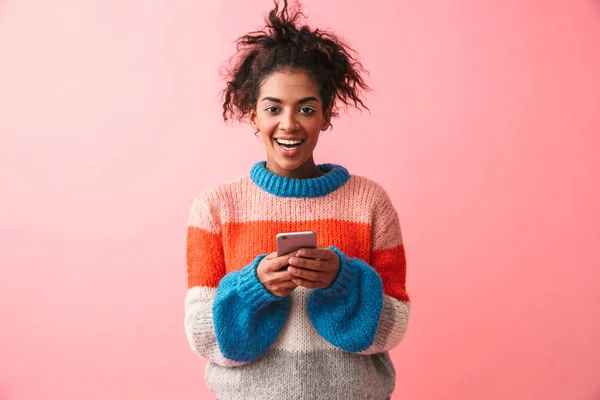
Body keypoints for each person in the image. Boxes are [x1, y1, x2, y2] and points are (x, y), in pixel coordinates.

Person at [184, 1, 410, 398]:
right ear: (252, 114)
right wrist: (254, 288)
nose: (289, 124)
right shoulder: (216, 208)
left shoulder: (370, 202)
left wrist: (344, 280)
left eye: (306, 108)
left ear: (326, 116)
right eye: (273, 108)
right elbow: (204, 338)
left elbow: (394, 328)